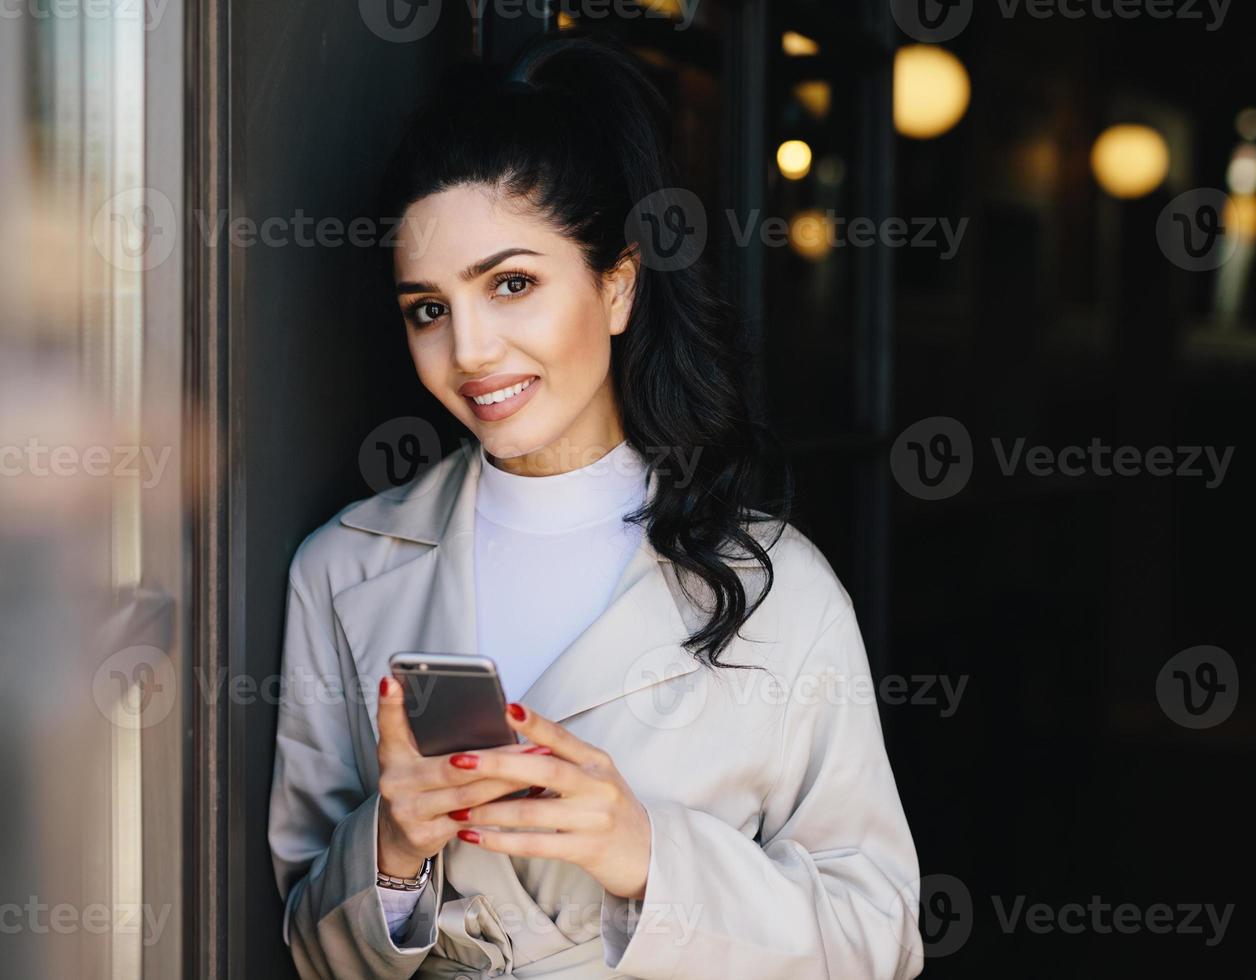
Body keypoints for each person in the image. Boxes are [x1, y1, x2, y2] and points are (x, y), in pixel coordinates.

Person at [267, 33, 922, 979]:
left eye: (512, 284)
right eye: (428, 308)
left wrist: (649, 854)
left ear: (617, 285)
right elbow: (304, 939)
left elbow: (882, 935)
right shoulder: (343, 568)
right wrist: (391, 852)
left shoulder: (780, 592)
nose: (472, 350)